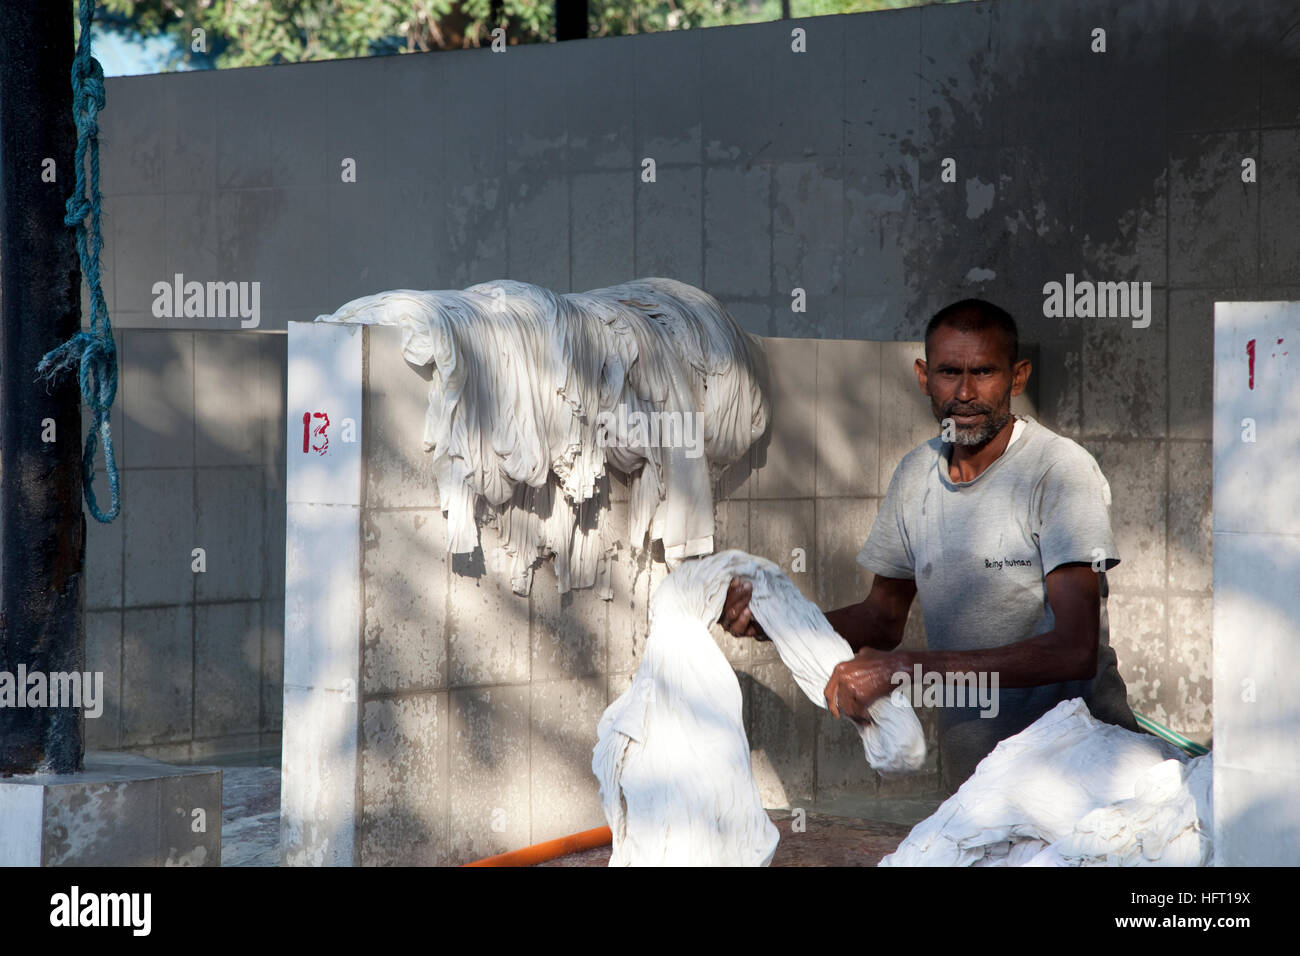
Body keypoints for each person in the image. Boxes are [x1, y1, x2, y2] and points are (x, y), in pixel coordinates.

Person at [719, 298, 1140, 792]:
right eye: (948, 372)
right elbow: (881, 619)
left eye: (984, 371)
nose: (964, 392)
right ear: (924, 377)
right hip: (980, 781)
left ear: (1017, 377)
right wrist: (777, 620)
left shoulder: (1059, 471)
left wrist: (902, 669)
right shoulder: (916, 474)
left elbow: (1074, 650)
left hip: (1079, 773)